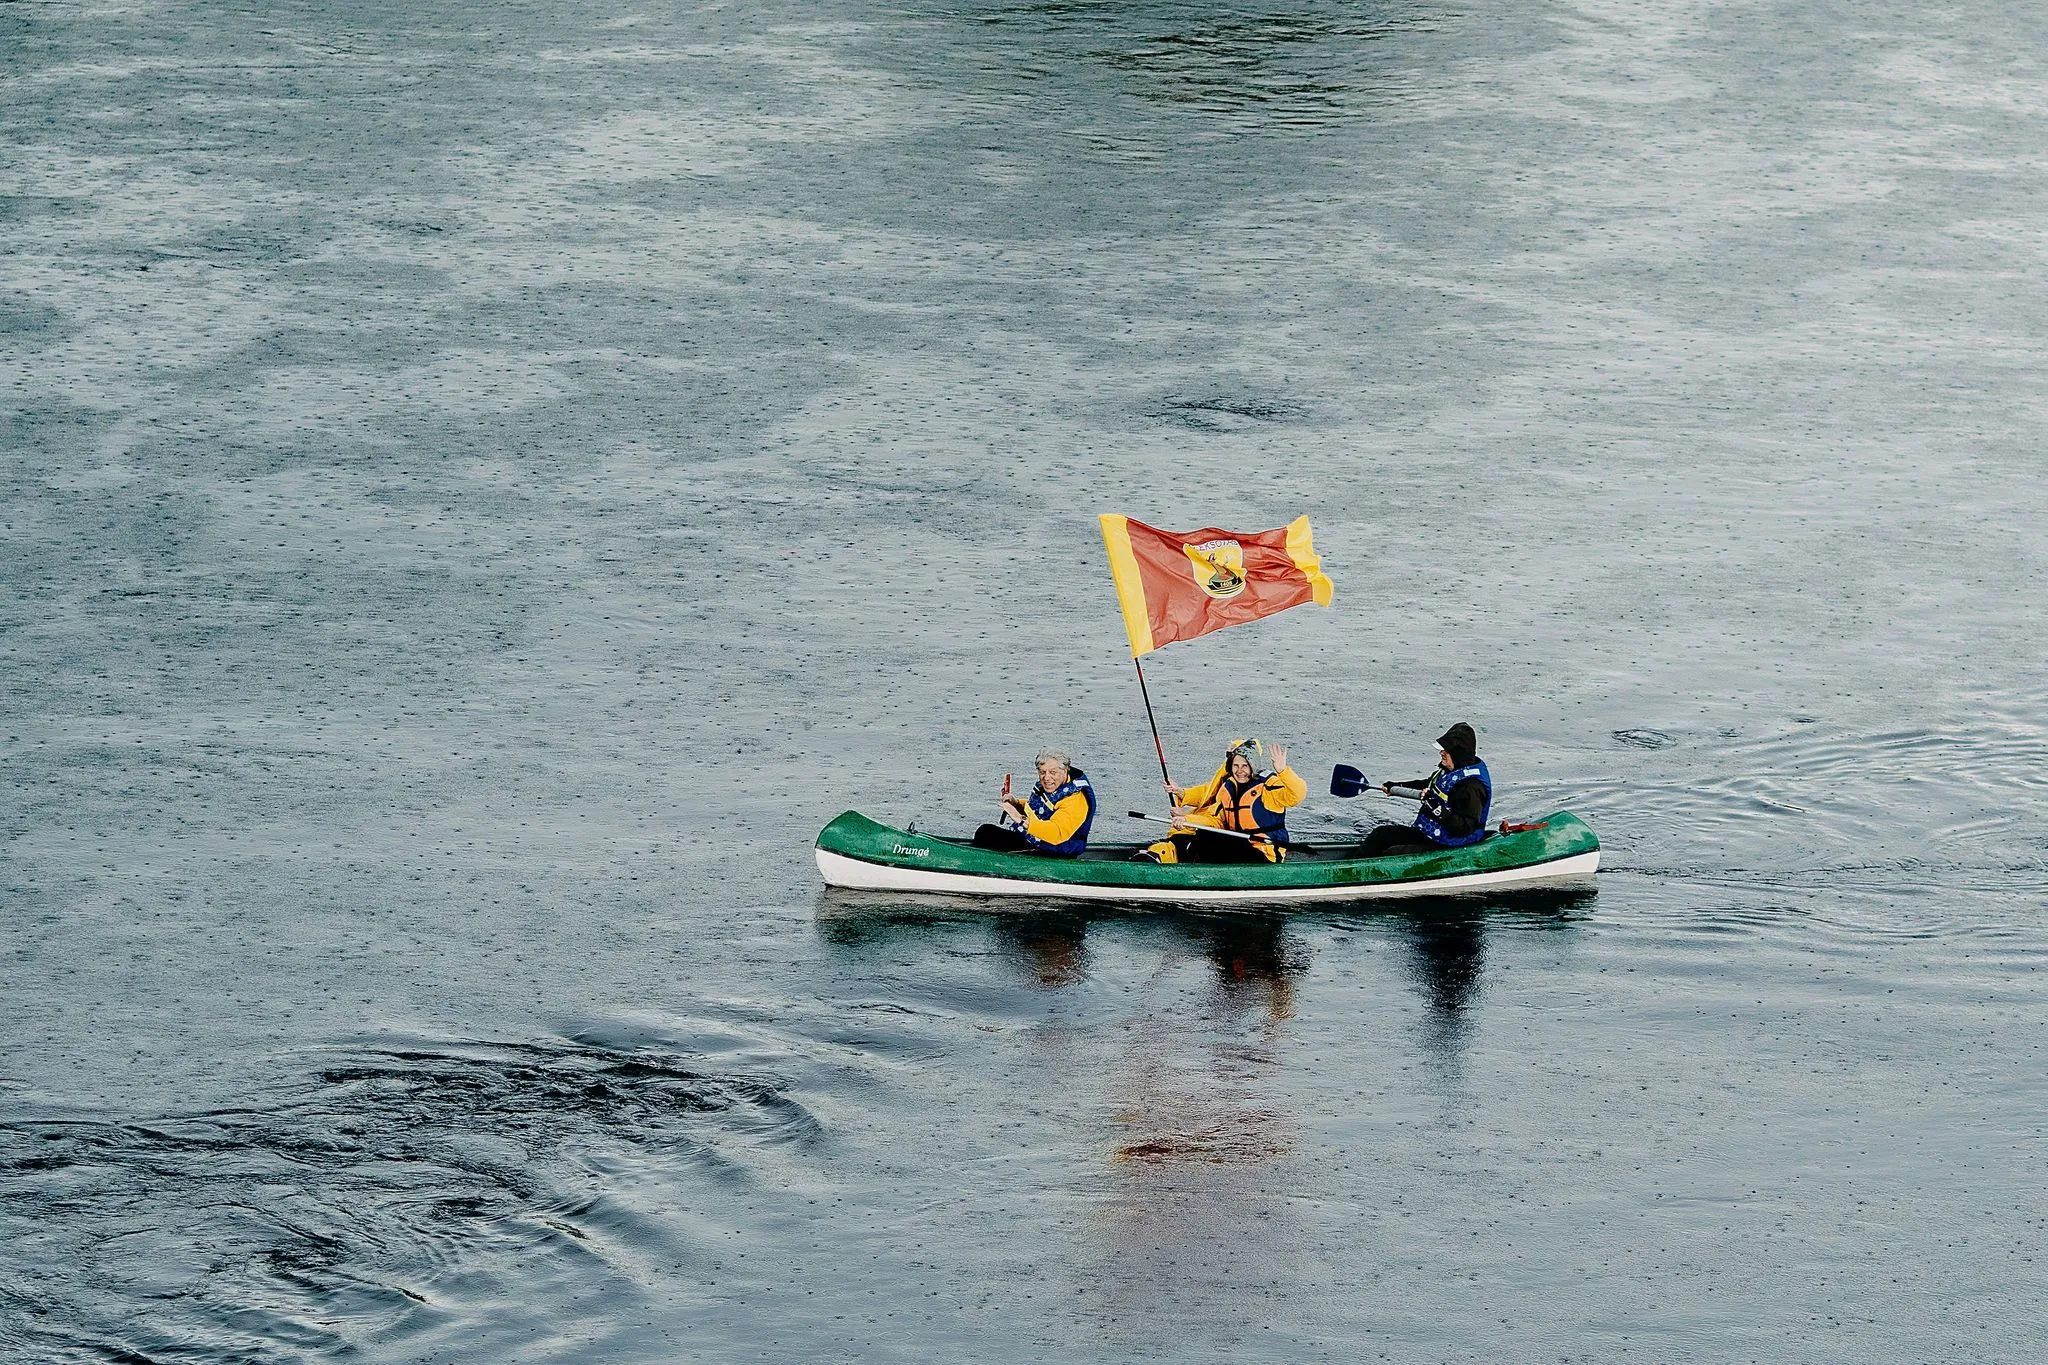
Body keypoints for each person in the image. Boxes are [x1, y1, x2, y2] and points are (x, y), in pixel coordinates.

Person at [1136, 739, 1306, 864]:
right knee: (1204, 834)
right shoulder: (1228, 788)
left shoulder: (1268, 786)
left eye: (1244, 766)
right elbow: (1215, 820)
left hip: (1264, 853)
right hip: (1241, 845)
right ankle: (1168, 856)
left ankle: (1184, 860)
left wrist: (1283, 771)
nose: (1239, 771)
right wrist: (1186, 820)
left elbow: (1297, 794)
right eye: (1236, 766)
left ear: (1253, 766)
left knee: (1210, 841)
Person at [1359, 722, 1492, 857]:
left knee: (1392, 853)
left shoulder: (1471, 787)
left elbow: (1464, 829)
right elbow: (1427, 784)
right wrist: (1395, 786)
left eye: (1446, 750)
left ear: (1458, 754)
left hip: (1450, 843)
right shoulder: (1450, 769)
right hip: (1430, 834)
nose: (1441, 752)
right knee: (1381, 834)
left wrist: (1435, 807)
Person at [972, 750, 1096, 856]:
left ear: (1065, 771)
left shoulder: (1075, 799)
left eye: (1053, 772)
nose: (1046, 778)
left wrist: (1020, 819)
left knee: (985, 833)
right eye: (1042, 772)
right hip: (1035, 840)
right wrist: (1017, 803)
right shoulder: (1055, 785)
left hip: (1053, 850)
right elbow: (1041, 809)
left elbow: (1056, 833)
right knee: (985, 833)